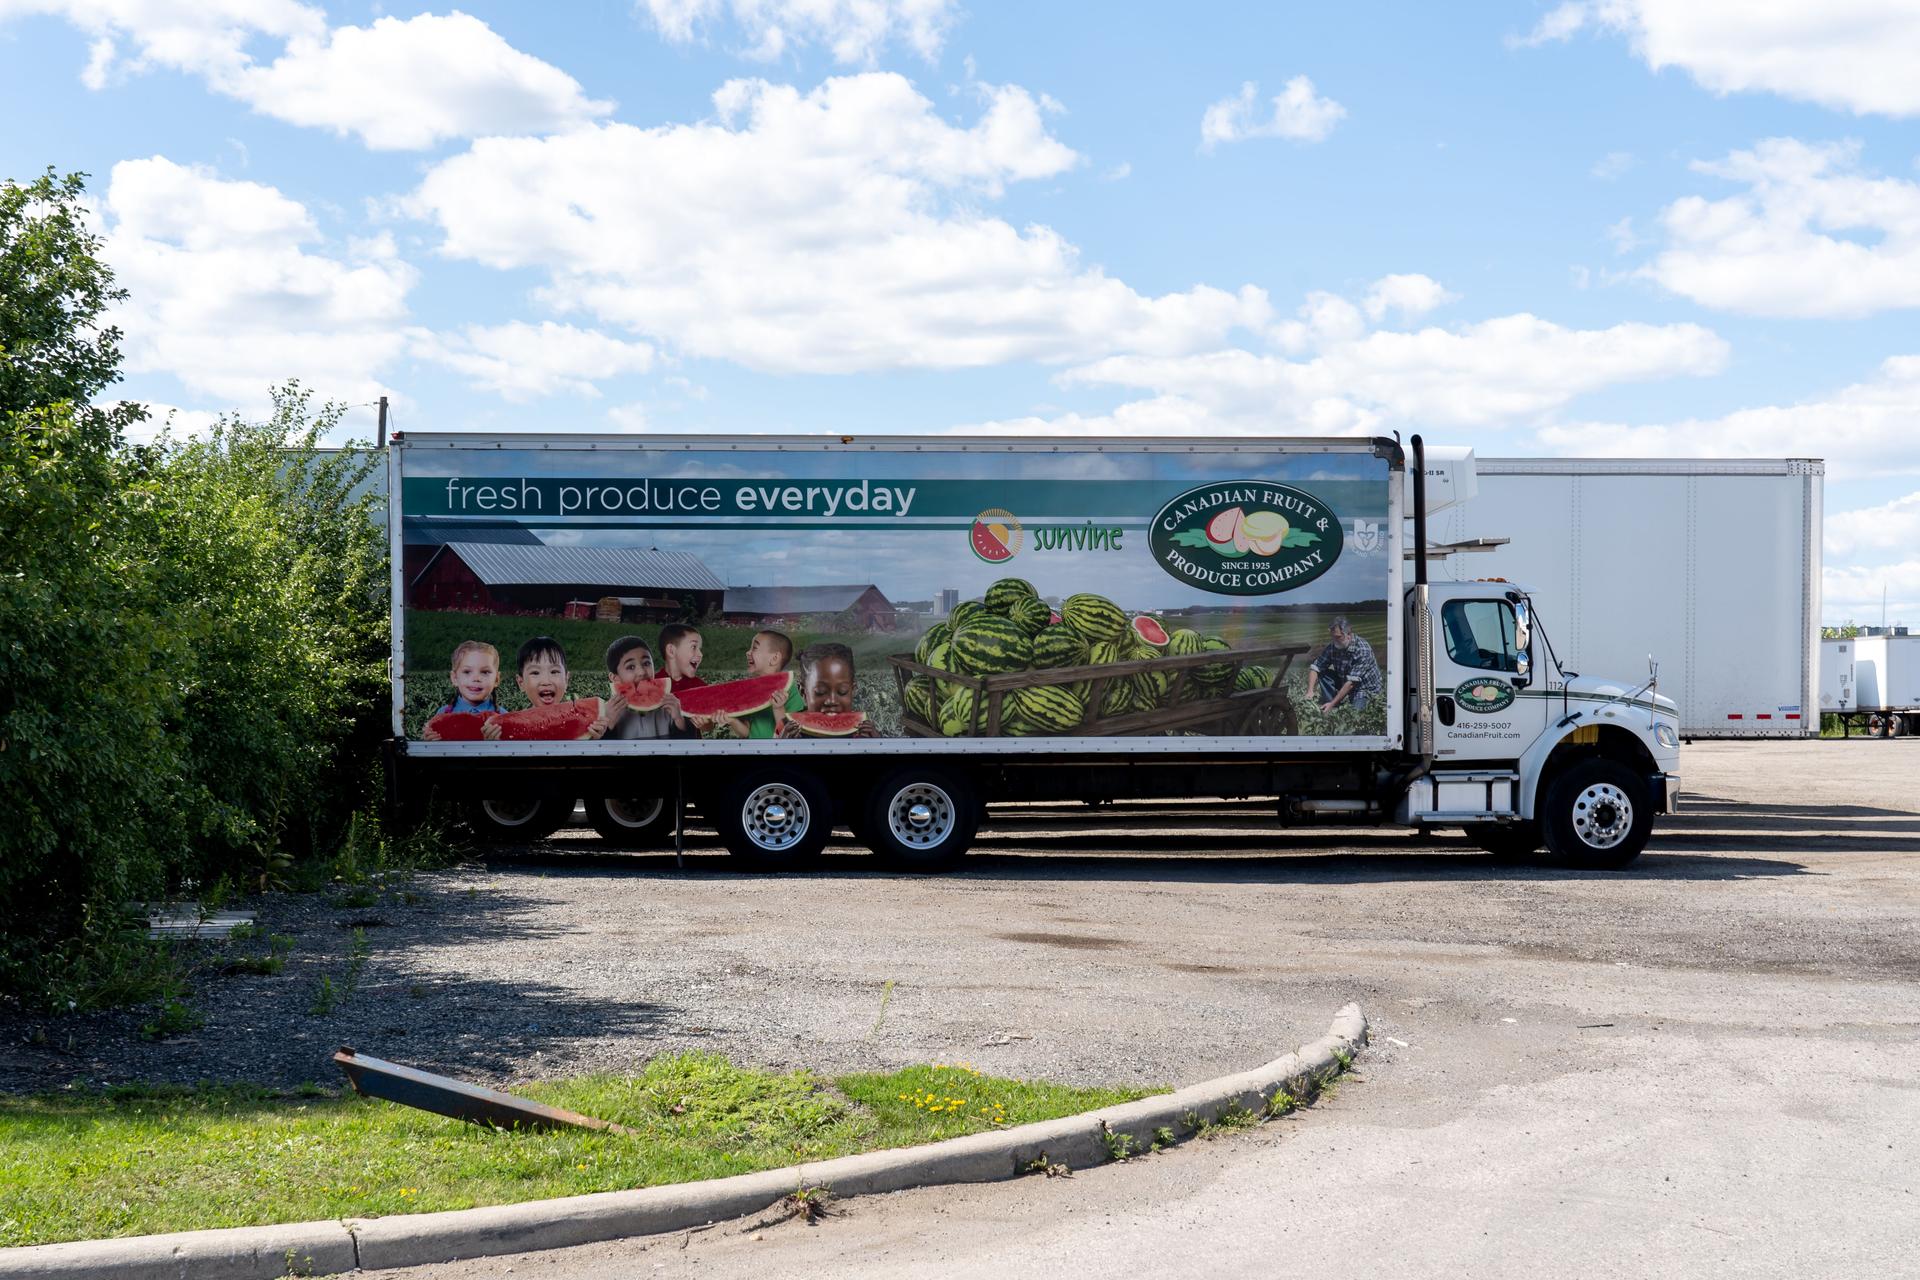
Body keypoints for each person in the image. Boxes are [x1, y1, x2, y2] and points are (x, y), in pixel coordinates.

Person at [588, 636, 690, 739]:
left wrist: (679, 720)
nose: (641, 672)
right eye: (631, 667)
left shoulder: (670, 707)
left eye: (646, 663)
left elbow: (687, 748)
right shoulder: (604, 715)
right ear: (614, 678)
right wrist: (608, 727)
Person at [781, 641, 881, 737]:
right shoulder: (788, 731)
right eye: (820, 692)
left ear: (852, 691)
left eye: (842, 692)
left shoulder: (863, 732)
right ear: (803, 692)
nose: (832, 701)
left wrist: (878, 746)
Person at [723, 628, 806, 739]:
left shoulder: (789, 688)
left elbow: (789, 733)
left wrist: (778, 708)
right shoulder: (749, 689)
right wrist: (731, 720)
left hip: (778, 750)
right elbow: (747, 732)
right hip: (752, 750)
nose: (748, 652)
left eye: (754, 648)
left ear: (774, 658)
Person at [420, 640, 501, 741]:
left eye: (485, 672)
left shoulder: (503, 716)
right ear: (454, 678)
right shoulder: (443, 714)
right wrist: (429, 742)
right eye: (467, 672)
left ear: (496, 679)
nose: (476, 678)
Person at [1307, 616, 1383, 714]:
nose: (1334, 640)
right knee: (1323, 672)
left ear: (1349, 634)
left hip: (1364, 688)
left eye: (1338, 637)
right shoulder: (1333, 646)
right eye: (1332, 636)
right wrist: (1310, 691)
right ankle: (1330, 704)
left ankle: (1332, 704)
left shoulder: (1362, 650)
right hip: (1345, 680)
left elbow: (1351, 683)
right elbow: (1316, 667)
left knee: (1354, 715)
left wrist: (1332, 703)